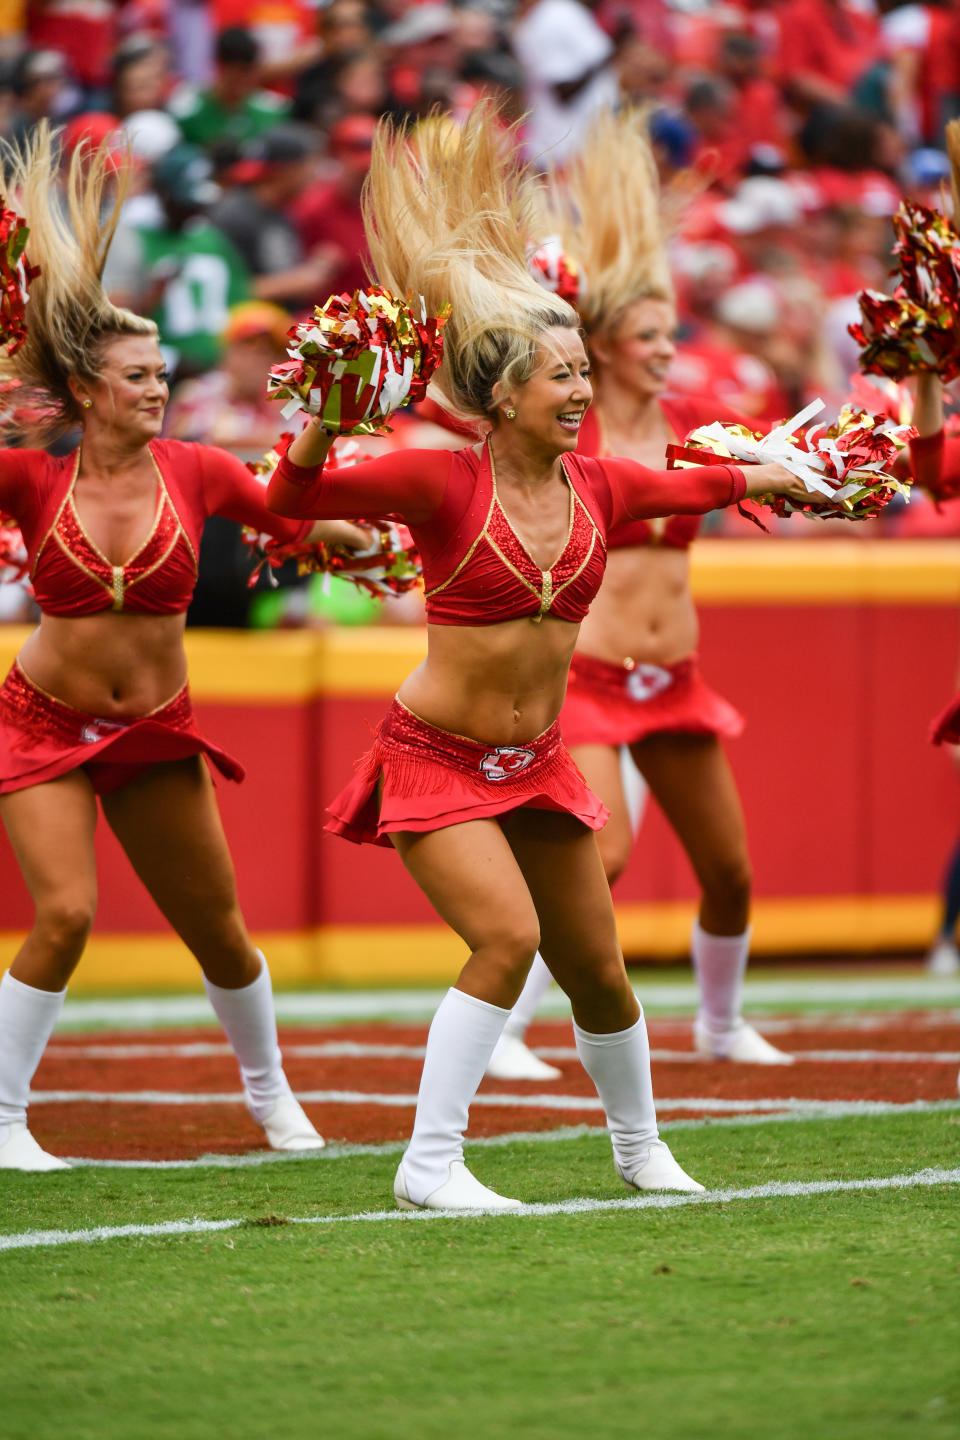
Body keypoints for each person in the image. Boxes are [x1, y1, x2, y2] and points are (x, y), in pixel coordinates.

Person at [266, 107, 805, 1212]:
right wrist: (322, 420)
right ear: (502, 395)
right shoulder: (438, 482)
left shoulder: (599, 485)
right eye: (558, 378)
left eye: (580, 375)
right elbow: (293, 501)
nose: (577, 393)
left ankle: (642, 1150)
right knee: (507, 938)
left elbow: (703, 484)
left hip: (542, 761)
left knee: (598, 968)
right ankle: (430, 1165)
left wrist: (795, 471)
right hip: (437, 757)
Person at [0, 126, 367, 1171]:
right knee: (65, 914)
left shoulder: (199, 467)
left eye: (161, 372)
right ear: (83, 391)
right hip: (40, 725)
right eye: (134, 376)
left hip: (155, 731)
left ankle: (273, 1099)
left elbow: (285, 514)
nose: (157, 387)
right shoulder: (32, 479)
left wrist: (346, 525)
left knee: (220, 934)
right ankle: (6, 1121)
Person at [488, 111, 795, 1081]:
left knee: (731, 869)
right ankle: (505, 1025)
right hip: (589, 676)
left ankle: (718, 1022)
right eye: (650, 335)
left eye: (673, 332)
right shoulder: (568, 436)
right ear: (606, 344)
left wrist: (838, 466)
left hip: (676, 676)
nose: (669, 349)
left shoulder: (701, 422)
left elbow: (785, 462)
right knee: (604, 859)